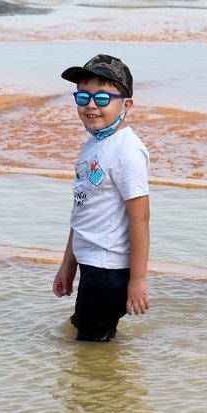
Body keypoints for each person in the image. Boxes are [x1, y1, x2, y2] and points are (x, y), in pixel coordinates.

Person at [53, 53, 151, 341]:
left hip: (110, 268)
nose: (92, 105)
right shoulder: (93, 145)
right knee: (82, 337)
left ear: (127, 104)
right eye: (83, 97)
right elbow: (82, 209)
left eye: (103, 98)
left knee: (92, 350)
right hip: (90, 261)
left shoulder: (127, 150)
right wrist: (68, 264)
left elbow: (140, 219)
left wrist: (137, 280)